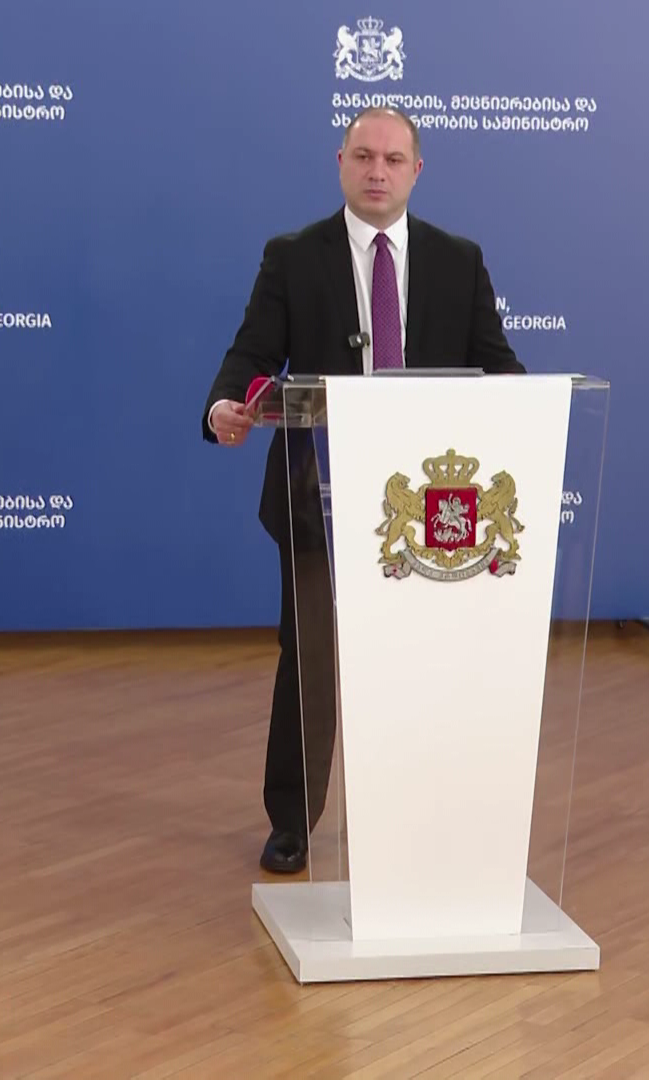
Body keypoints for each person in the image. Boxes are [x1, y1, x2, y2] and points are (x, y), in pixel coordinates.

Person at [200, 106, 526, 873]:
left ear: (417, 171)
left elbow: (499, 366)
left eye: (393, 159)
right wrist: (223, 405)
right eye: (364, 156)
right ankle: (293, 822)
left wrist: (526, 410)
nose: (378, 171)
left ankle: (418, 813)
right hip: (318, 492)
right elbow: (251, 355)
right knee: (310, 657)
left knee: (424, 661)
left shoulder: (459, 260)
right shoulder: (293, 257)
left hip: (435, 505)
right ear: (340, 163)